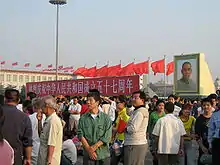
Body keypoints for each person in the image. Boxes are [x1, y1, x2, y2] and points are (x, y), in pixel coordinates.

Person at [77, 89, 112, 165]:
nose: (88, 102)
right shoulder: (83, 118)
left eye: (90, 100)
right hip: (88, 156)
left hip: (102, 155)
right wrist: (89, 150)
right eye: (87, 100)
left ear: (97, 102)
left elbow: (107, 136)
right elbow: (80, 134)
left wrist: (93, 148)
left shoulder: (106, 118)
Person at [2, 89, 32, 165]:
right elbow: (28, 141)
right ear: (18, 100)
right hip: (16, 157)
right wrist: (28, 158)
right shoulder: (24, 117)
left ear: (4, 99)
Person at [124, 90, 149, 165]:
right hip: (137, 143)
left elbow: (133, 128)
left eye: (135, 98)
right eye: (132, 97)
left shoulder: (139, 112)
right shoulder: (138, 110)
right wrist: (128, 105)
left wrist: (124, 128)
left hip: (135, 143)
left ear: (142, 100)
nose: (133, 99)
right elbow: (129, 113)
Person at [37, 96, 63, 165]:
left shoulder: (53, 121)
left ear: (47, 106)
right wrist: (39, 121)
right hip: (43, 157)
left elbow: (52, 143)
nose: (41, 108)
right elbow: (41, 135)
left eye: (42, 106)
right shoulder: (49, 119)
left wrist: (49, 161)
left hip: (49, 161)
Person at [111, 95, 130, 165]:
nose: (116, 104)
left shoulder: (124, 114)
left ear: (123, 103)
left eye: (117, 103)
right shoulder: (120, 113)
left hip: (121, 141)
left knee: (114, 160)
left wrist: (111, 128)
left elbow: (119, 129)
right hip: (118, 140)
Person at [147, 100, 165, 165]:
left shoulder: (165, 115)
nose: (161, 107)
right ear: (156, 106)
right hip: (153, 137)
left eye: (163, 105)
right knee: (154, 154)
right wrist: (148, 134)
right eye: (160, 105)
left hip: (163, 137)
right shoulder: (152, 114)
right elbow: (149, 125)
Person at [195, 98, 213, 165]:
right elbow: (197, 135)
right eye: (204, 105)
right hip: (203, 148)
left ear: (211, 106)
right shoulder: (199, 119)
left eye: (208, 105)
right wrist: (202, 147)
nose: (206, 107)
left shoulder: (215, 117)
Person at [29, 98, 46, 165]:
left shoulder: (29, 117)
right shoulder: (46, 117)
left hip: (32, 148)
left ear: (33, 107)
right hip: (43, 148)